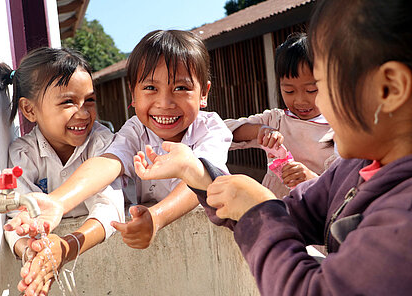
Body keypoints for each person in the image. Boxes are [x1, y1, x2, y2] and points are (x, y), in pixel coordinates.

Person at [132, 0, 412, 294]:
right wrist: (198, 173)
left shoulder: (403, 215)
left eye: (321, 84)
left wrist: (258, 208)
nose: (316, 105)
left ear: (389, 89)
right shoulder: (352, 170)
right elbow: (287, 213)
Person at [6, 30, 233, 295]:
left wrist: (156, 217)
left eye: (181, 88)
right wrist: (58, 201)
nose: (165, 103)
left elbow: (201, 179)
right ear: (133, 95)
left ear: (203, 93)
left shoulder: (212, 130)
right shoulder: (135, 130)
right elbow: (109, 162)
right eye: (150, 88)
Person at [0, 47, 125, 295]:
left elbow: (110, 206)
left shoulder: (101, 143)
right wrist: (30, 254)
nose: (84, 112)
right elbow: (16, 218)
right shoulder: (23, 154)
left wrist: (68, 246)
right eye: (68, 101)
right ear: (30, 110)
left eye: (89, 100)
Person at [225, 32, 336, 198]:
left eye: (311, 90)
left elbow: (348, 188)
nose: (300, 100)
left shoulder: (341, 130)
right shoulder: (276, 121)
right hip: (275, 214)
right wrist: (259, 131)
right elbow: (221, 131)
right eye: (289, 91)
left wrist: (312, 179)